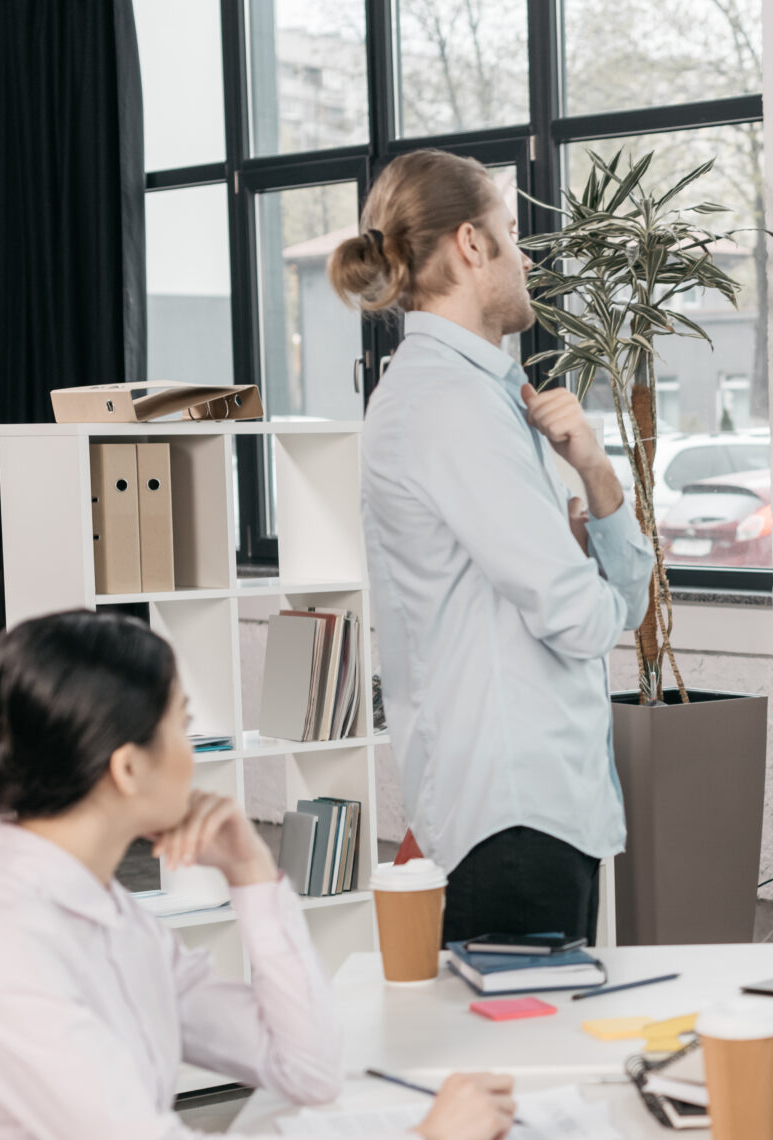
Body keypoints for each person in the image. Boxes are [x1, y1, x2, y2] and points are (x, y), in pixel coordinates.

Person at [0, 611, 517, 1140]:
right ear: (127, 768)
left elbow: (304, 1067)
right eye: (182, 725)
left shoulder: (111, 918)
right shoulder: (6, 945)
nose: (195, 749)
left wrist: (252, 873)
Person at [328, 148, 655, 947]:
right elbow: (585, 622)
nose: (527, 255)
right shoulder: (448, 406)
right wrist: (591, 576)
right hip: (511, 822)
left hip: (539, 810)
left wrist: (598, 471)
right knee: (519, 1065)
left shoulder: (490, 397)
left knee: (543, 1058)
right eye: (513, 232)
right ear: (472, 245)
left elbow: (625, 600)